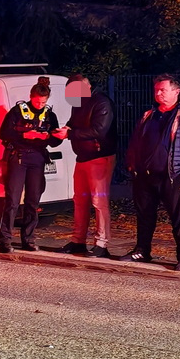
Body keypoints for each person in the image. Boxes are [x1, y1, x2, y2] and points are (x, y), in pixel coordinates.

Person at [122, 73, 180, 270]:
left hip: (173, 176)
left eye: (163, 89)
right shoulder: (149, 115)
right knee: (145, 216)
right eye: (156, 90)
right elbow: (136, 141)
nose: (158, 93)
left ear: (176, 91)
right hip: (145, 176)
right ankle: (142, 251)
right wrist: (132, 165)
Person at [0, 81, 64, 253]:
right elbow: (3, 133)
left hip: (38, 158)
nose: (40, 105)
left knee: (33, 201)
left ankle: (29, 239)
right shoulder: (18, 111)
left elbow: (56, 141)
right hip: (18, 156)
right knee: (12, 200)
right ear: (30, 97)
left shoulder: (49, 115)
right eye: (37, 102)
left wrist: (47, 137)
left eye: (43, 102)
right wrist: (24, 134)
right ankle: (5, 240)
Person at [62, 76, 116, 257]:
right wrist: (62, 131)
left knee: (99, 201)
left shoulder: (101, 102)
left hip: (99, 156)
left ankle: (102, 243)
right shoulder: (78, 104)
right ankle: (78, 240)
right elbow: (73, 124)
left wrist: (69, 134)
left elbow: (99, 130)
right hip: (83, 157)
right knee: (80, 200)